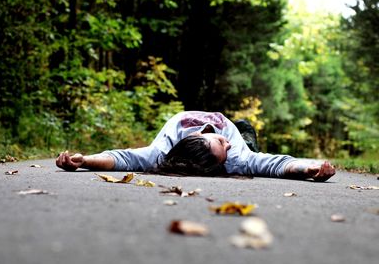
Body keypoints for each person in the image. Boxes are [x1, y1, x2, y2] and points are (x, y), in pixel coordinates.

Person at [56, 111, 336, 182]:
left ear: (198, 137)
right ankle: (245, 130)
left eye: (218, 141)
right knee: (247, 135)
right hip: (245, 139)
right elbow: (271, 164)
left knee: (239, 125)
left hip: (226, 125)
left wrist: (84, 159)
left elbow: (124, 157)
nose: (226, 143)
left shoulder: (168, 144)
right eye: (223, 150)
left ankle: (240, 126)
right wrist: (307, 168)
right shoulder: (235, 158)